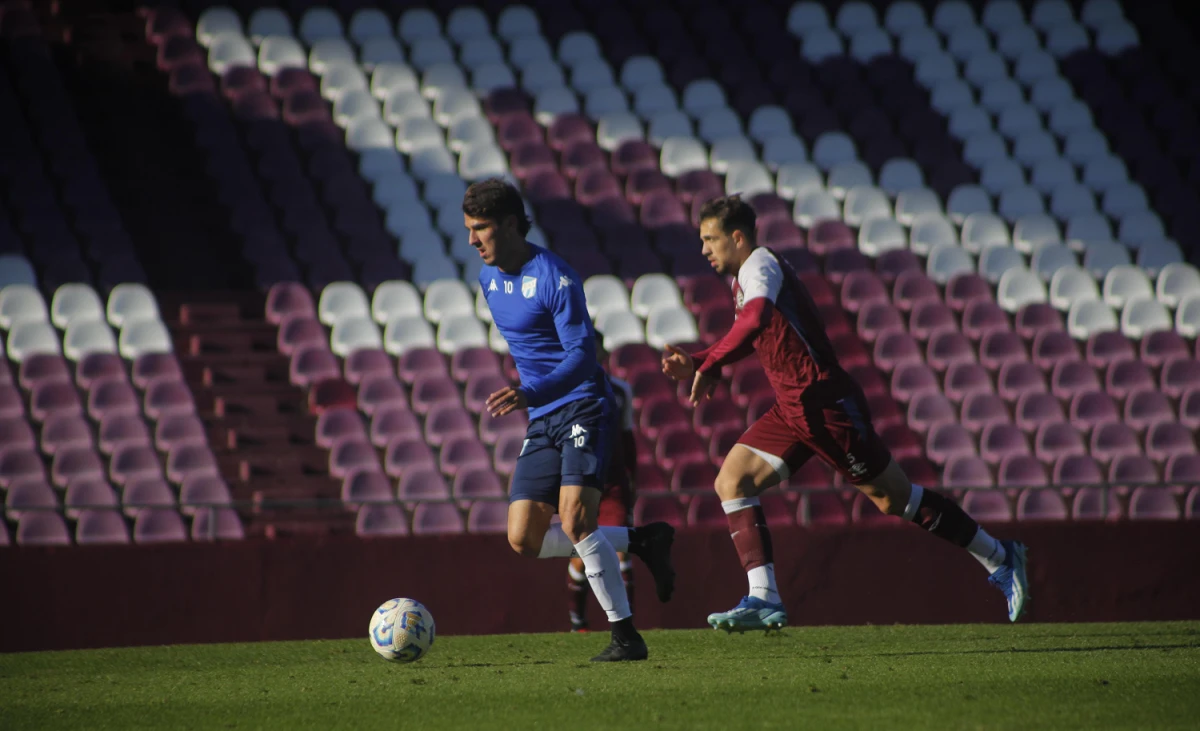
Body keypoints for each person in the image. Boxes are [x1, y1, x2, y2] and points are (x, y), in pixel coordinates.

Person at [660, 195, 1030, 633]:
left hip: (825, 405)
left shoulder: (760, 264)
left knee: (894, 499)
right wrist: (703, 361)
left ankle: (999, 556)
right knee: (732, 481)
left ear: (737, 237)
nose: (704, 249)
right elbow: (755, 332)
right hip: (793, 409)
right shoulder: (746, 275)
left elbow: (755, 320)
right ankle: (764, 597)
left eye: (710, 239)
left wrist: (706, 362)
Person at [464, 178, 675, 662]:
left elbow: (583, 356)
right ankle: (644, 540)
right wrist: (534, 399)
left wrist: (529, 393)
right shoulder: (488, 279)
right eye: (469, 229)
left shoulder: (556, 277)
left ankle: (626, 637)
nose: (472, 240)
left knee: (577, 519)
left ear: (510, 225)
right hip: (543, 415)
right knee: (523, 538)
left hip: (582, 404)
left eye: (481, 228)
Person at [567, 337, 637, 633]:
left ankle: (626, 625)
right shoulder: (567, 391)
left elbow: (628, 437)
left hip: (612, 484)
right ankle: (578, 622)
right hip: (581, 483)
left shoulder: (620, 391)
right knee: (582, 556)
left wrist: (632, 478)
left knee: (622, 550)